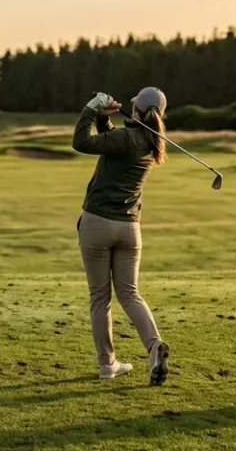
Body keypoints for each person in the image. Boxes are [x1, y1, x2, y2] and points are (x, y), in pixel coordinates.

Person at [71, 88, 170, 384]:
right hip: (129, 229)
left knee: (100, 297)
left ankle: (108, 365)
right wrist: (104, 118)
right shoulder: (150, 141)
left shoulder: (127, 138)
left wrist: (91, 108)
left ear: (136, 110)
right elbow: (113, 141)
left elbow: (81, 142)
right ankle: (154, 346)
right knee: (130, 294)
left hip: (98, 225)